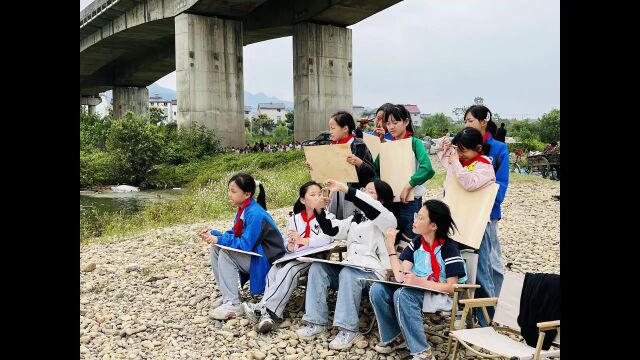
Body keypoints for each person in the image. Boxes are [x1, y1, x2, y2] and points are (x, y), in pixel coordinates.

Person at [296, 179, 398, 350]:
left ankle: (349, 330)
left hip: (374, 275)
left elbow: (371, 206)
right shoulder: (354, 219)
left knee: (349, 273)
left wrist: (345, 189)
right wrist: (320, 209)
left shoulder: (387, 219)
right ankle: (316, 322)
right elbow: (333, 230)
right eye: (365, 189)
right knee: (318, 268)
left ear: (381, 198)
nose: (365, 192)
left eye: (371, 191)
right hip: (350, 269)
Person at [369, 200, 467, 360]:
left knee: (402, 295)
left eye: (420, 218)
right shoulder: (416, 243)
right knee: (377, 289)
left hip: (440, 296)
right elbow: (401, 276)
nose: (415, 220)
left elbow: (451, 288)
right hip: (417, 289)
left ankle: (423, 352)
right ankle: (395, 338)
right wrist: (390, 246)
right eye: (416, 216)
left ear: (433, 226)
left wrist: (418, 282)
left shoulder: (449, 247)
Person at [242, 181, 335, 333]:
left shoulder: (328, 216)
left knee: (290, 269)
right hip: (295, 255)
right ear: (303, 200)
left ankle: (264, 309)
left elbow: (329, 237)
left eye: (320, 194)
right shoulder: (294, 219)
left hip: (314, 258)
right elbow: (285, 242)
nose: (318, 197)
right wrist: (290, 246)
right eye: (313, 195)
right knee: (275, 269)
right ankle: (268, 315)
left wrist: (304, 241)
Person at [198, 173, 285, 320]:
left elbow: (245, 244)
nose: (229, 194)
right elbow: (234, 234)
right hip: (257, 254)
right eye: (229, 190)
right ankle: (230, 296)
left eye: (233, 191)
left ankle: (233, 304)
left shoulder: (255, 214)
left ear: (247, 194)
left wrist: (219, 239)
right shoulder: (244, 209)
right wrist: (214, 236)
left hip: (267, 260)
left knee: (226, 254)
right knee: (216, 249)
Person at [461, 105, 509, 325]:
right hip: (464, 211)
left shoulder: (498, 149)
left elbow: (500, 184)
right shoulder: (461, 146)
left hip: (487, 212)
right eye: (465, 121)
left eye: (470, 120)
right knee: (469, 259)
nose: (467, 124)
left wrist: (484, 200)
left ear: (483, 121)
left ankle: (495, 307)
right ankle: (469, 306)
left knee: (491, 261)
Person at [374, 104, 435, 244]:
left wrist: (409, 185)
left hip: (410, 200)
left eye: (395, 122)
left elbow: (427, 169)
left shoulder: (415, 143)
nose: (391, 127)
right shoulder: (387, 145)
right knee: (391, 239)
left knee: (409, 239)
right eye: (388, 123)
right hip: (390, 200)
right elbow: (376, 170)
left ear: (406, 122)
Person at [306, 111, 376, 219]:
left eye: (333, 128)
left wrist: (359, 163)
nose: (330, 132)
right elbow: (325, 172)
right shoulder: (330, 147)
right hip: (333, 193)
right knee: (333, 223)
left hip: (351, 193)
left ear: (345, 128)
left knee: (351, 224)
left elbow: (371, 172)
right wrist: (313, 167)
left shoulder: (359, 145)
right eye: (330, 128)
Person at [436, 127, 496, 192]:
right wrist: (445, 141)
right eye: (457, 149)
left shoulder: (484, 164)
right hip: (451, 199)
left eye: (463, 151)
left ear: (478, 148)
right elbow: (439, 149)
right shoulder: (455, 156)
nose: (460, 154)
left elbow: (471, 184)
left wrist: (456, 163)